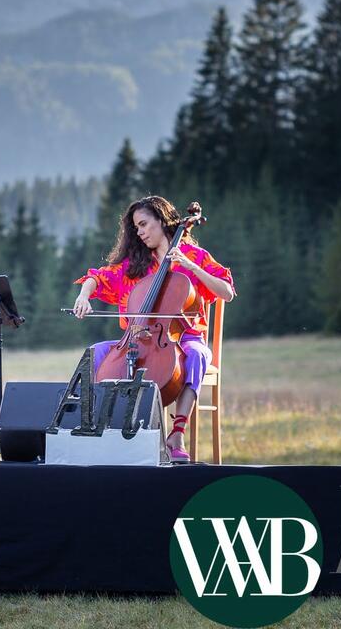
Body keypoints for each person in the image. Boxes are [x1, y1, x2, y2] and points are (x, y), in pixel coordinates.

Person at [72, 195, 235, 462]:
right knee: (95, 354)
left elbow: (226, 292)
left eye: (144, 224)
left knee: (197, 355)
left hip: (185, 338)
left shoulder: (195, 256)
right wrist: (83, 296)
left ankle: (176, 434)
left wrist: (190, 266)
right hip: (138, 340)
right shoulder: (136, 264)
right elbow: (97, 277)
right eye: (136, 227)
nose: (140, 232)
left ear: (162, 220)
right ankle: (94, 430)